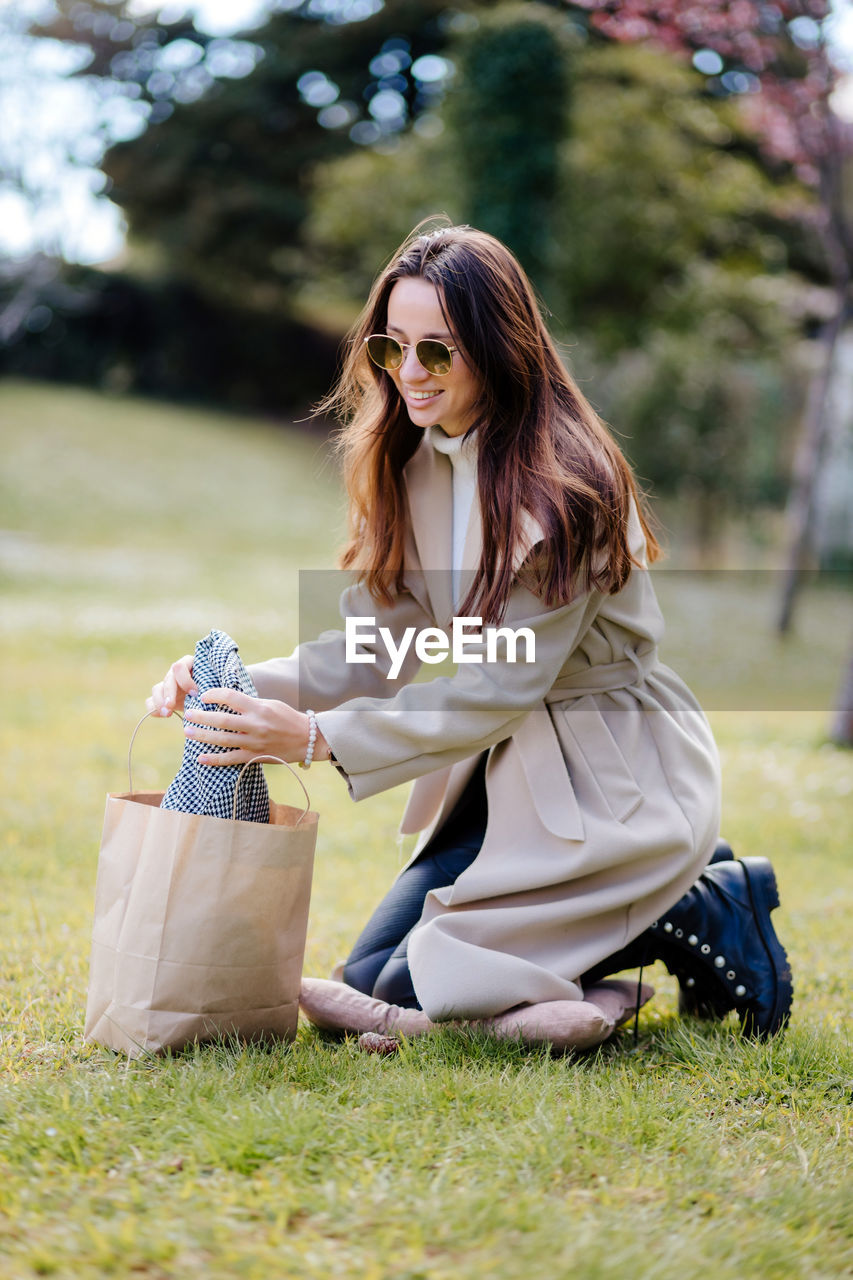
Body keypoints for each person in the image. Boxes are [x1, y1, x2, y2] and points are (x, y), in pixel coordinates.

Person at [147, 223, 792, 1042]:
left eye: (437, 353)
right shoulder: (421, 458)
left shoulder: (562, 492)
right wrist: (233, 690)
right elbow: (375, 643)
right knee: (374, 977)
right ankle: (584, 987)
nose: (409, 375)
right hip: (513, 775)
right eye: (391, 348)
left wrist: (311, 739)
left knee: (428, 991)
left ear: (497, 349)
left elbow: (496, 689)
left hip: (613, 780)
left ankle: (688, 901)